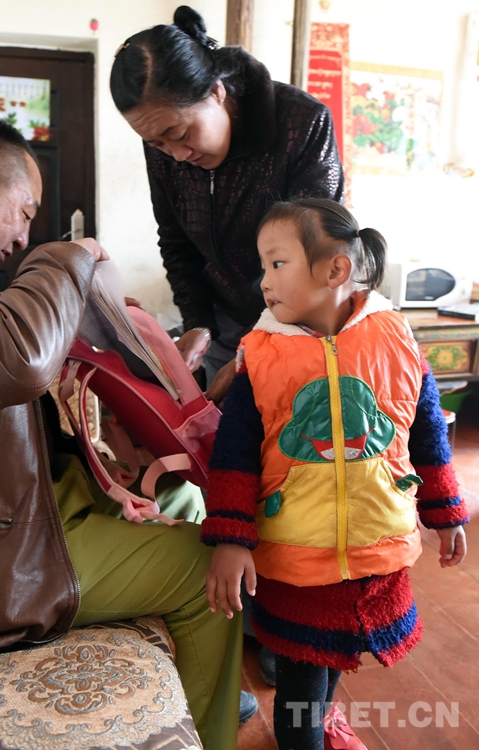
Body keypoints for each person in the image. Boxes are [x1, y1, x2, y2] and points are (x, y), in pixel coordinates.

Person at [0, 116, 248, 750]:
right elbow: (17, 356)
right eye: (24, 213)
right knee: (208, 567)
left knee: (182, 494)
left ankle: (204, 680)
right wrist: (68, 255)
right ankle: (210, 730)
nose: (23, 236)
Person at [200, 198, 469, 750]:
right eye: (263, 266)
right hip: (295, 556)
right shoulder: (262, 356)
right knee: (301, 676)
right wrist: (231, 538)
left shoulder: (396, 339)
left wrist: (446, 513)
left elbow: (427, 434)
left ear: (335, 270)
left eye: (277, 264)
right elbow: (234, 455)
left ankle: (323, 720)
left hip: (376, 544)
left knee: (339, 654)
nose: (263, 281)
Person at [110, 5, 344, 403]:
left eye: (180, 133)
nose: (177, 155)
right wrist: (198, 325)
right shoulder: (165, 150)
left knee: (296, 432)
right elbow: (177, 244)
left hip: (303, 325)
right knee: (228, 432)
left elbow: (314, 255)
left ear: (217, 91)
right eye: (157, 143)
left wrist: (260, 346)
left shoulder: (301, 122)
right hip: (226, 324)